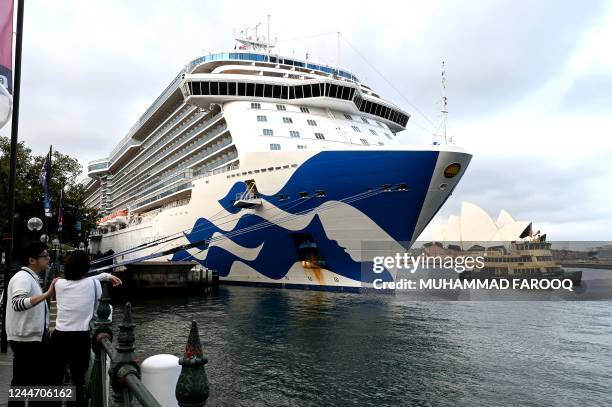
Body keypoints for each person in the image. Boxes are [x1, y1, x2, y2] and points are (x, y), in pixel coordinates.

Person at [51, 250, 122, 407]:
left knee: (56, 378)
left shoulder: (58, 284)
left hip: (59, 336)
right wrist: (105, 276)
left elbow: (80, 281)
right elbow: (92, 284)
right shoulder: (93, 284)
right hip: (80, 337)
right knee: (78, 380)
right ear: (85, 268)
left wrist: (104, 275)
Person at [6, 241, 58, 407]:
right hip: (25, 339)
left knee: (24, 381)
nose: (48, 258)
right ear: (32, 260)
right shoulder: (23, 278)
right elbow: (18, 303)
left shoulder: (28, 278)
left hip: (28, 338)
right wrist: (47, 294)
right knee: (31, 381)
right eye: (45, 256)